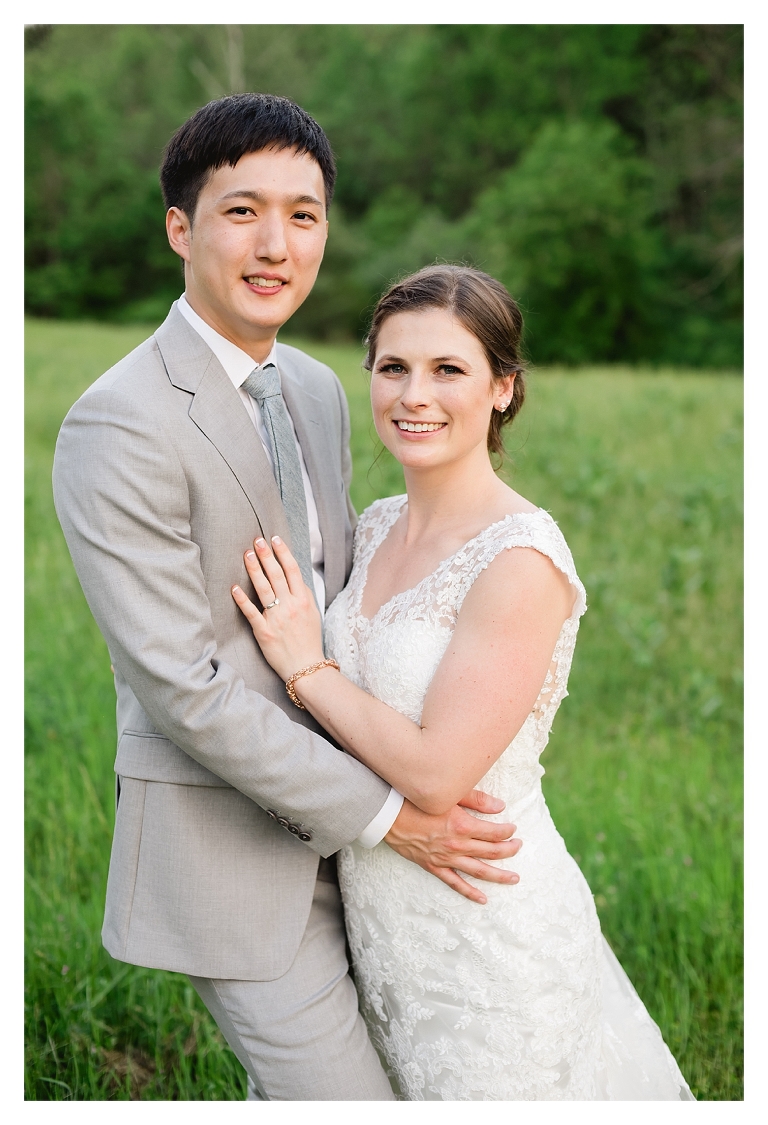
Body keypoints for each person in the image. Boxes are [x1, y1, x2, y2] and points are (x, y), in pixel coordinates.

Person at [51, 95, 524, 1102]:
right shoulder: (118, 423)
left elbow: (339, 594)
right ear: (181, 228)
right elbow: (184, 688)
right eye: (242, 212)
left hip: (378, 850)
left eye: (303, 215)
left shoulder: (312, 387)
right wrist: (391, 814)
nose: (277, 245)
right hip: (237, 859)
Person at [232, 264, 696, 1101]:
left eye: (449, 369)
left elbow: (440, 773)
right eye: (393, 367)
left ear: (504, 389)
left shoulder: (518, 558)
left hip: (488, 928)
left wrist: (307, 666)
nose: (416, 394)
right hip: (377, 919)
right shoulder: (369, 527)